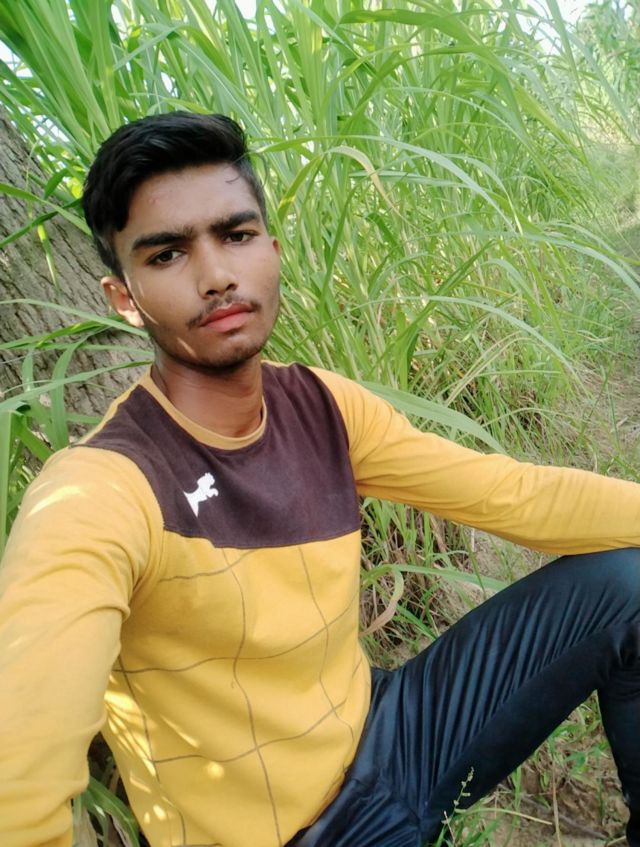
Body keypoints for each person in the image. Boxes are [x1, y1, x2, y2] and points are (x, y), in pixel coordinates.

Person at [1, 111, 640, 847]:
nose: (216, 276)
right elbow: (18, 775)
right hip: (298, 835)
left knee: (628, 583)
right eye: (168, 254)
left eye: (236, 236)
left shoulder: (323, 407)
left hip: (390, 736)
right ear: (123, 296)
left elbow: (513, 494)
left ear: (271, 250)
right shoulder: (100, 490)